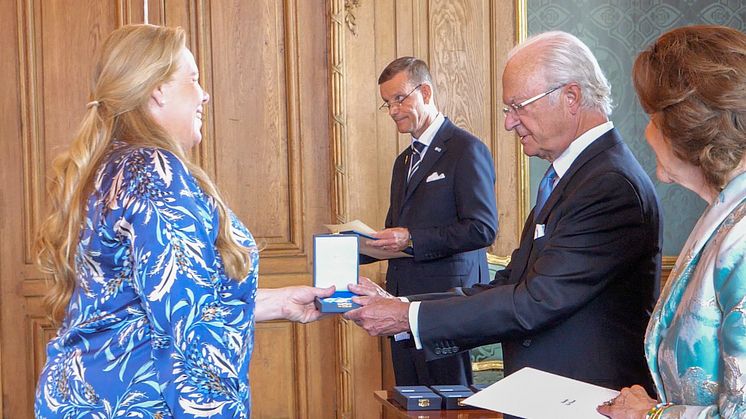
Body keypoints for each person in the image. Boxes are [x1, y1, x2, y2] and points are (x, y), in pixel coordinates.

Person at [33, 24, 334, 418]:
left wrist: (278, 303)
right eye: (192, 79)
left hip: (82, 397)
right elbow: (189, 329)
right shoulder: (152, 169)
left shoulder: (108, 167)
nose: (204, 93)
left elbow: (146, 299)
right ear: (157, 90)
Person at [346, 31, 662, 401]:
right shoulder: (574, 176)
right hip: (548, 395)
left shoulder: (608, 183)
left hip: (585, 400)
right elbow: (510, 282)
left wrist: (409, 316)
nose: (510, 123)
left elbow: (535, 300)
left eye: (518, 106)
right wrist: (406, 307)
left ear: (571, 97)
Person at [597, 25, 746, 419]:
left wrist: (651, 415)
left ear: (685, 126)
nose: (646, 133)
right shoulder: (726, 216)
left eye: (650, 116)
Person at [365, 56, 498, 386]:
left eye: (399, 99)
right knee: (411, 401)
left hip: (447, 304)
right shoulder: (403, 162)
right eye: (387, 104)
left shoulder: (466, 149)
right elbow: (395, 234)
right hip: (400, 305)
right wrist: (351, 247)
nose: (394, 111)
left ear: (425, 91)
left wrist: (411, 239)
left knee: (447, 404)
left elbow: (483, 228)